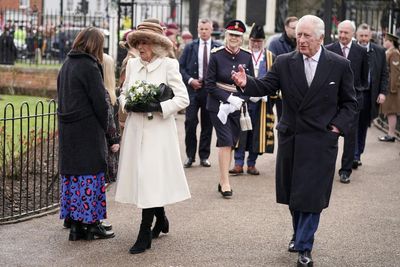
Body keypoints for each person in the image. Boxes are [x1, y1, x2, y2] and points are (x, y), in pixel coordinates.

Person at [231, 15, 357, 266]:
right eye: (298, 34)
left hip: (321, 140)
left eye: (306, 35)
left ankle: (304, 245)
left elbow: (350, 104)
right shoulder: (285, 62)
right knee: (294, 194)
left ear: (321, 38)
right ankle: (298, 234)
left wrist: (335, 128)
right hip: (293, 138)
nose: (301, 40)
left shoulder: (340, 65)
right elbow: (266, 85)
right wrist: (246, 84)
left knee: (312, 196)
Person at [115, 19, 191, 254]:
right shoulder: (132, 65)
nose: (140, 47)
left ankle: (144, 232)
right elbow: (123, 93)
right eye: (138, 42)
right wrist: (129, 104)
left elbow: (183, 99)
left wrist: (158, 106)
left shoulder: (169, 65)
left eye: (145, 42)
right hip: (136, 130)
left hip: (158, 133)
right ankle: (161, 217)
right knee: (143, 179)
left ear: (157, 45)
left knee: (149, 178)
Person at [57, 27, 115, 241]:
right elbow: (101, 105)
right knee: (90, 176)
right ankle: (91, 225)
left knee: (73, 176)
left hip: (68, 130)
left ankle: (74, 224)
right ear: (96, 45)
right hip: (87, 131)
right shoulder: (90, 67)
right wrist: (112, 137)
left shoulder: (66, 64)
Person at [205, 19, 254, 198]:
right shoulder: (216, 55)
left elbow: (251, 84)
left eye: (237, 36)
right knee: (225, 141)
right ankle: (225, 182)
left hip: (237, 106)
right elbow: (209, 85)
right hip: (218, 106)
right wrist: (227, 99)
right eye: (231, 35)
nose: (234, 38)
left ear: (242, 38)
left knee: (232, 142)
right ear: (226, 35)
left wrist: (240, 100)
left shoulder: (247, 56)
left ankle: (222, 179)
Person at [326, 20, 369, 184]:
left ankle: (345, 170)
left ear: (353, 34)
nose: (343, 35)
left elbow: (365, 78)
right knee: (330, 137)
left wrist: (357, 92)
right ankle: (327, 169)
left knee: (350, 138)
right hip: (332, 102)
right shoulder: (329, 49)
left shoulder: (361, 51)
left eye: (346, 33)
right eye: (340, 32)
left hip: (353, 102)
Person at [229, 24, 275, 175]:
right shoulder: (242, 55)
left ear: (264, 42)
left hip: (261, 103)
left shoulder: (271, 57)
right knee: (241, 132)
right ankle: (238, 162)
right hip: (243, 101)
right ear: (249, 41)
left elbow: (275, 80)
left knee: (256, 133)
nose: (256, 44)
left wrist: (264, 94)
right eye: (254, 41)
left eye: (259, 41)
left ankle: (251, 163)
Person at [179, 18, 221, 168]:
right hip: (193, 91)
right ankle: (190, 156)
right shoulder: (190, 47)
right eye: (201, 29)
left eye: (206, 29)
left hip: (209, 91)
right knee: (190, 122)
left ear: (211, 30)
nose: (203, 32)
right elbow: (180, 68)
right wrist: (190, 80)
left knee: (207, 124)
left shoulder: (217, 47)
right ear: (198, 29)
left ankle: (204, 156)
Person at [354, 23, 388, 165]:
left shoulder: (379, 51)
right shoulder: (352, 50)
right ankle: (354, 155)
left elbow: (384, 74)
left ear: (370, 36)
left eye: (366, 36)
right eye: (361, 36)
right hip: (354, 94)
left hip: (370, 94)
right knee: (353, 125)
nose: (363, 39)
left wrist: (382, 92)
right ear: (356, 36)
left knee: (363, 125)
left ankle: (359, 153)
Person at [268, 16, 298, 121]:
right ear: (286, 28)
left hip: (297, 88)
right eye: (293, 28)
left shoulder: (301, 42)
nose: (296, 30)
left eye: (297, 27)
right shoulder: (275, 43)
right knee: (282, 120)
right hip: (281, 88)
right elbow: (271, 65)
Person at [102, 53, 121, 184]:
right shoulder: (106, 93)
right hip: (106, 142)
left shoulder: (110, 91)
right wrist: (114, 140)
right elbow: (109, 119)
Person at [379, 33, 400, 142]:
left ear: (391, 42)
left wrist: (392, 88)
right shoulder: (389, 52)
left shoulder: (394, 53)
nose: (384, 41)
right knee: (389, 111)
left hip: (392, 88)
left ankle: (391, 135)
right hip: (389, 87)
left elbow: (395, 72)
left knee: (391, 111)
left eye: (385, 40)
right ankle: (390, 133)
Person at [117, 29, 138, 132]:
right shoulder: (131, 59)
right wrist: (123, 116)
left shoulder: (134, 58)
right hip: (126, 109)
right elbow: (124, 86)